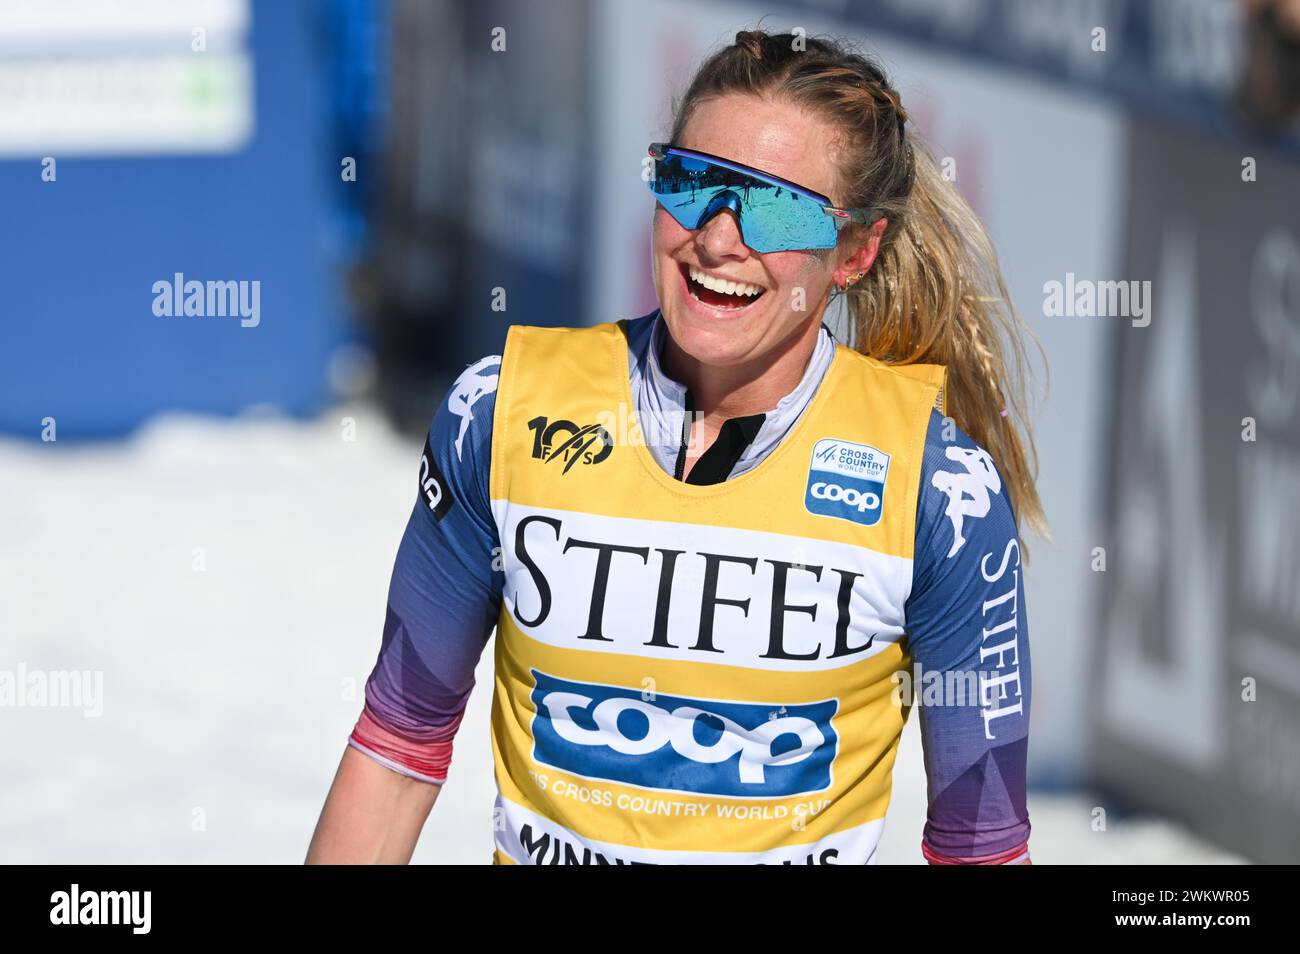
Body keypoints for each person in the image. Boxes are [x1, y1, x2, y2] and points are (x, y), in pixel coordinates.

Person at [308, 29, 1045, 865]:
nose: (720, 238)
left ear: (855, 252)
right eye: (694, 184)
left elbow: (980, 849)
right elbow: (398, 750)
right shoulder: (501, 411)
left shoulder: (940, 493)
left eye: (774, 208)